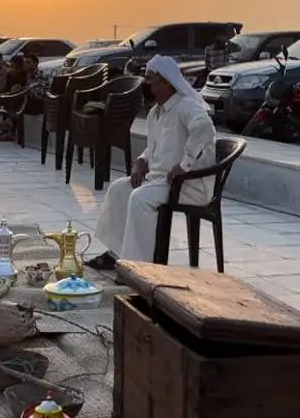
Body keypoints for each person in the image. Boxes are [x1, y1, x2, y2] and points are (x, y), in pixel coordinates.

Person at [86, 55, 216, 270]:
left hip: (187, 185)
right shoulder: (156, 112)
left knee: (140, 198)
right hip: (161, 180)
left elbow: (204, 129)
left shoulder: (186, 107)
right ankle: (117, 252)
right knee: (119, 189)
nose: (145, 84)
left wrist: (185, 165)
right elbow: (155, 146)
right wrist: (141, 161)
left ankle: (138, 268)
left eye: (150, 79)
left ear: (166, 82)